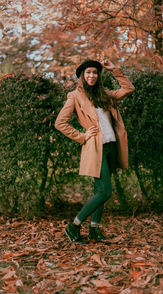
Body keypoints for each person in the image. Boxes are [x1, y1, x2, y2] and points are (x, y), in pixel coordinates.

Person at [55, 59, 134, 244]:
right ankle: (73, 226)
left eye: (95, 72)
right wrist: (82, 136)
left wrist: (116, 70)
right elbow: (60, 122)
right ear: (82, 76)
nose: (92, 75)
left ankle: (94, 230)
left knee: (100, 191)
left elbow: (128, 89)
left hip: (111, 146)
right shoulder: (74, 96)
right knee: (105, 192)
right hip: (95, 149)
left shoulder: (104, 94)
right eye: (88, 72)